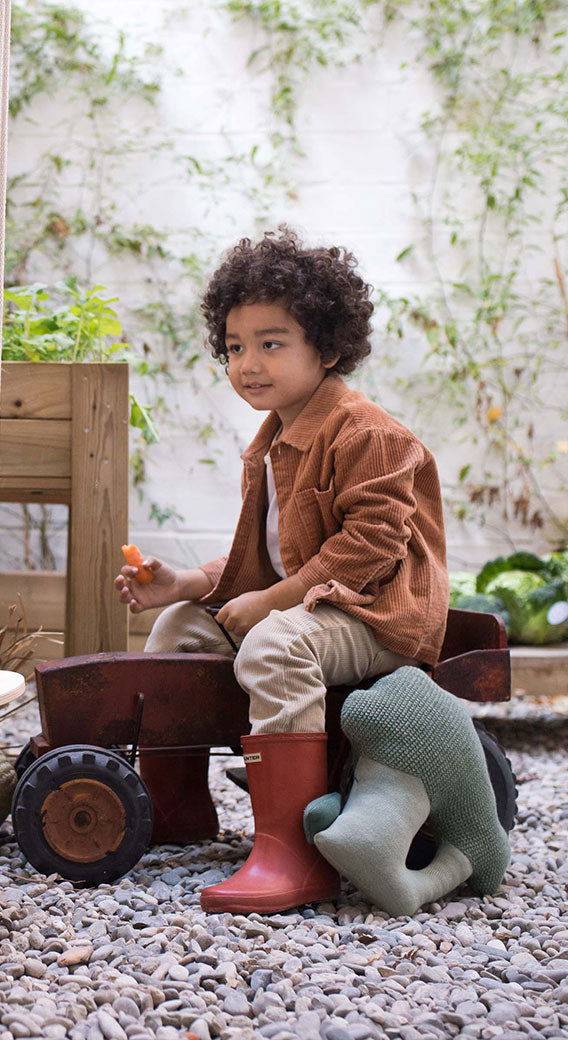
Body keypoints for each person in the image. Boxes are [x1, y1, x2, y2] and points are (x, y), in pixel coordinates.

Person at [115, 228, 448, 915]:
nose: (248, 362)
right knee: (181, 627)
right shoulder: (268, 444)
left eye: (272, 343)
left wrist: (274, 603)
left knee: (277, 639)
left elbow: (369, 550)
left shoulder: (370, 435)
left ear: (326, 347)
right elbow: (264, 562)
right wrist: (186, 584)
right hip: (317, 605)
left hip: (377, 613)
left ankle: (296, 851)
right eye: (235, 346)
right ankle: (178, 807)